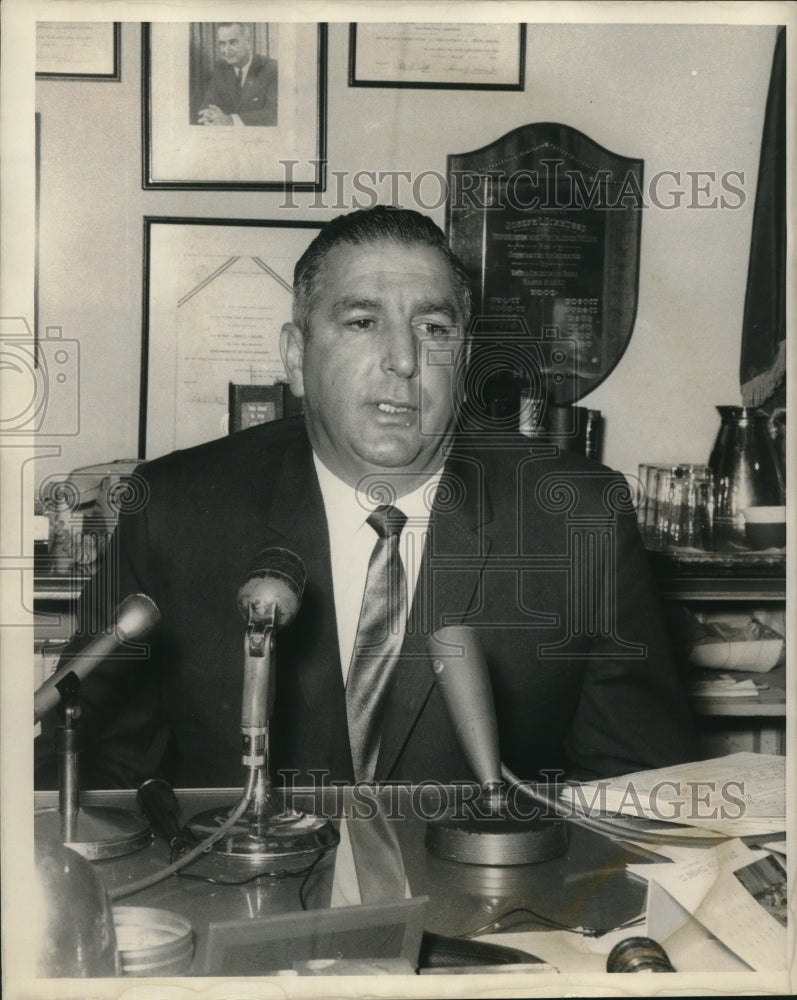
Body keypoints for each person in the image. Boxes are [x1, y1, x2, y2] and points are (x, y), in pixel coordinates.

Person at [35, 207, 696, 791]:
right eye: (361, 321)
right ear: (295, 357)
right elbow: (91, 777)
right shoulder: (175, 510)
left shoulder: (579, 517)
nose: (402, 359)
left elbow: (636, 788)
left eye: (434, 329)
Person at [197, 22, 277, 127]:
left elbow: (274, 114)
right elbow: (208, 106)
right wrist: (208, 115)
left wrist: (231, 121)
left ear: (248, 40)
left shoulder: (271, 68)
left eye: (233, 42)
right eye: (222, 44)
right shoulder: (221, 69)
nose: (226, 50)